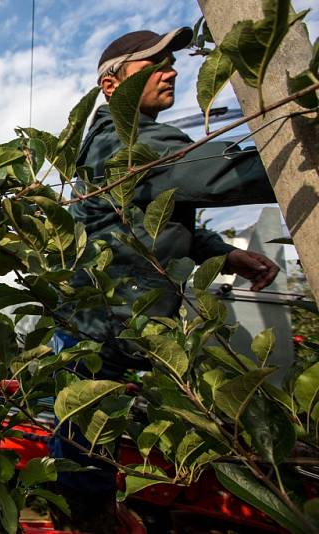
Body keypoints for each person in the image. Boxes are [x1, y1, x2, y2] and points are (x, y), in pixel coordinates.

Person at [49, 27, 281, 533]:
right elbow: (211, 173)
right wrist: (293, 154)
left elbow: (154, 216)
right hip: (102, 328)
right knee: (86, 450)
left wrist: (222, 253)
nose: (172, 70)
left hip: (129, 325)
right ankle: (88, 522)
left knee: (96, 442)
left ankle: (98, 511)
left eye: (172, 60)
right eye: (153, 63)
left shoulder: (135, 140)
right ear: (112, 86)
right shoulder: (124, 140)